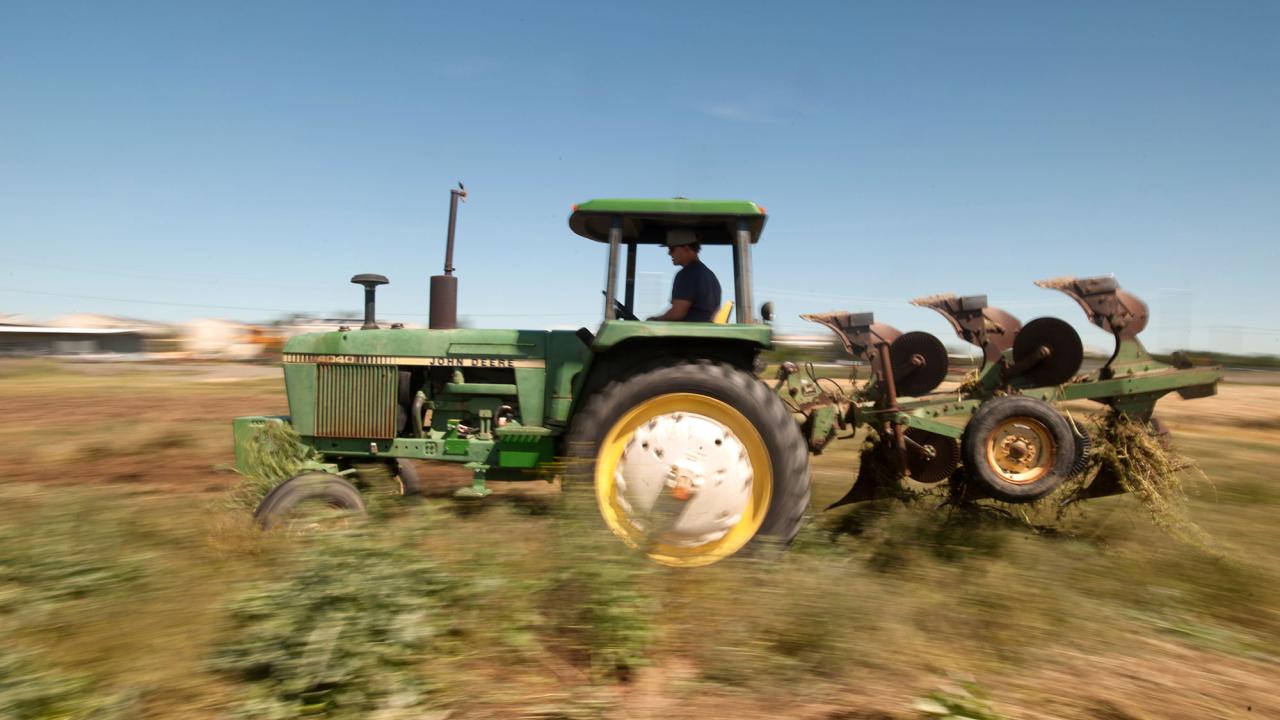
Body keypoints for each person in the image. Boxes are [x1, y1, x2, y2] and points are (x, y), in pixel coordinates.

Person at [647, 228, 722, 322]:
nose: (669, 253)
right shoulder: (710, 275)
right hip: (704, 332)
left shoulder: (687, 274)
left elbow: (676, 314)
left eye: (672, 249)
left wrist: (655, 320)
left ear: (686, 248)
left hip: (689, 334)